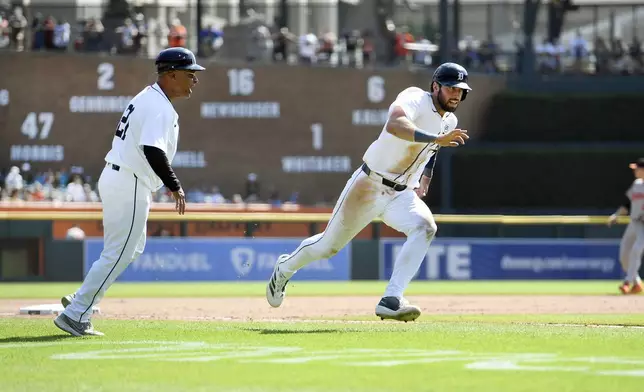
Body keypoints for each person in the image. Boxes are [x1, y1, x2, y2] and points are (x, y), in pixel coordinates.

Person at [266, 62, 472, 322]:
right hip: (369, 185)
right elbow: (395, 125)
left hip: (401, 194)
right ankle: (285, 267)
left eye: (461, 90)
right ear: (435, 86)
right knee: (328, 247)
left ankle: (392, 298)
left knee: (426, 228)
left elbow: (433, 151)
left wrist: (426, 177)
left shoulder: (450, 120)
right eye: (451, 88)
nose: (456, 94)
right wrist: (434, 139)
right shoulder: (415, 98)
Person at [54, 47, 205, 336]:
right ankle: (76, 314)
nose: (194, 80)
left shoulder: (149, 97)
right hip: (129, 181)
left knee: (130, 248)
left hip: (120, 177)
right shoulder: (158, 106)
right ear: (171, 75)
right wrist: (175, 185)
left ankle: (82, 298)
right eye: (190, 74)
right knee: (119, 252)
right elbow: (152, 149)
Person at [608, 157, 644, 295]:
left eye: (637, 168)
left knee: (636, 249)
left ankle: (627, 282)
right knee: (624, 255)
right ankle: (637, 282)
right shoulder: (637, 184)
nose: (635, 171)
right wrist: (617, 215)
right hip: (634, 222)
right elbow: (627, 204)